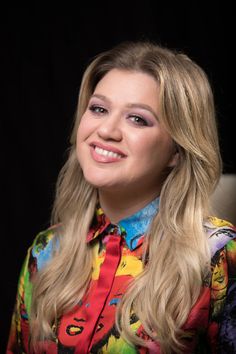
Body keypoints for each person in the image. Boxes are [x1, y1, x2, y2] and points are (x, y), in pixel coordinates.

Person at [7, 40, 236, 354]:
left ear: (177, 151)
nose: (107, 130)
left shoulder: (219, 256)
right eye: (99, 109)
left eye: (138, 119)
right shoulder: (46, 251)